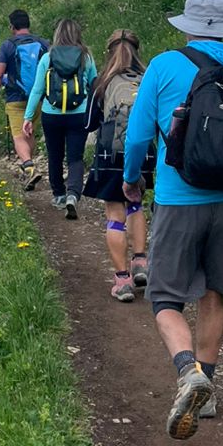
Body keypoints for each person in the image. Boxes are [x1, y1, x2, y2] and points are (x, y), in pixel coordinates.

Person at [122, 0, 223, 440]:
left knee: (165, 297)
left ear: (186, 26)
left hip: (177, 199)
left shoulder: (163, 65)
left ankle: (188, 372)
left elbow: (136, 137)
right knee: (215, 291)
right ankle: (207, 388)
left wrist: (132, 179)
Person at [84, 30, 152, 301]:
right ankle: (140, 262)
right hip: (144, 153)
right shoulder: (148, 79)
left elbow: (88, 123)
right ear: (137, 49)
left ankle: (122, 280)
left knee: (114, 216)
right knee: (135, 205)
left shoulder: (102, 82)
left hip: (109, 155)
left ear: (109, 51)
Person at [22, 19, 96, 218]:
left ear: (57, 34)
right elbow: (95, 84)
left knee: (54, 155)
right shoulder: (85, 57)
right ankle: (73, 194)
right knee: (75, 157)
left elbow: (37, 89)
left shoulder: (48, 57)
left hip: (51, 114)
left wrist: (28, 117)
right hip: (79, 113)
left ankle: (59, 195)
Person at [0, 10, 48, 188]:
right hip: (37, 98)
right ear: (28, 24)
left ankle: (29, 166)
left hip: (15, 98)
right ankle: (28, 168)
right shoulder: (43, 43)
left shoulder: (8, 45)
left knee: (18, 136)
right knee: (29, 131)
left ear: (12, 26)